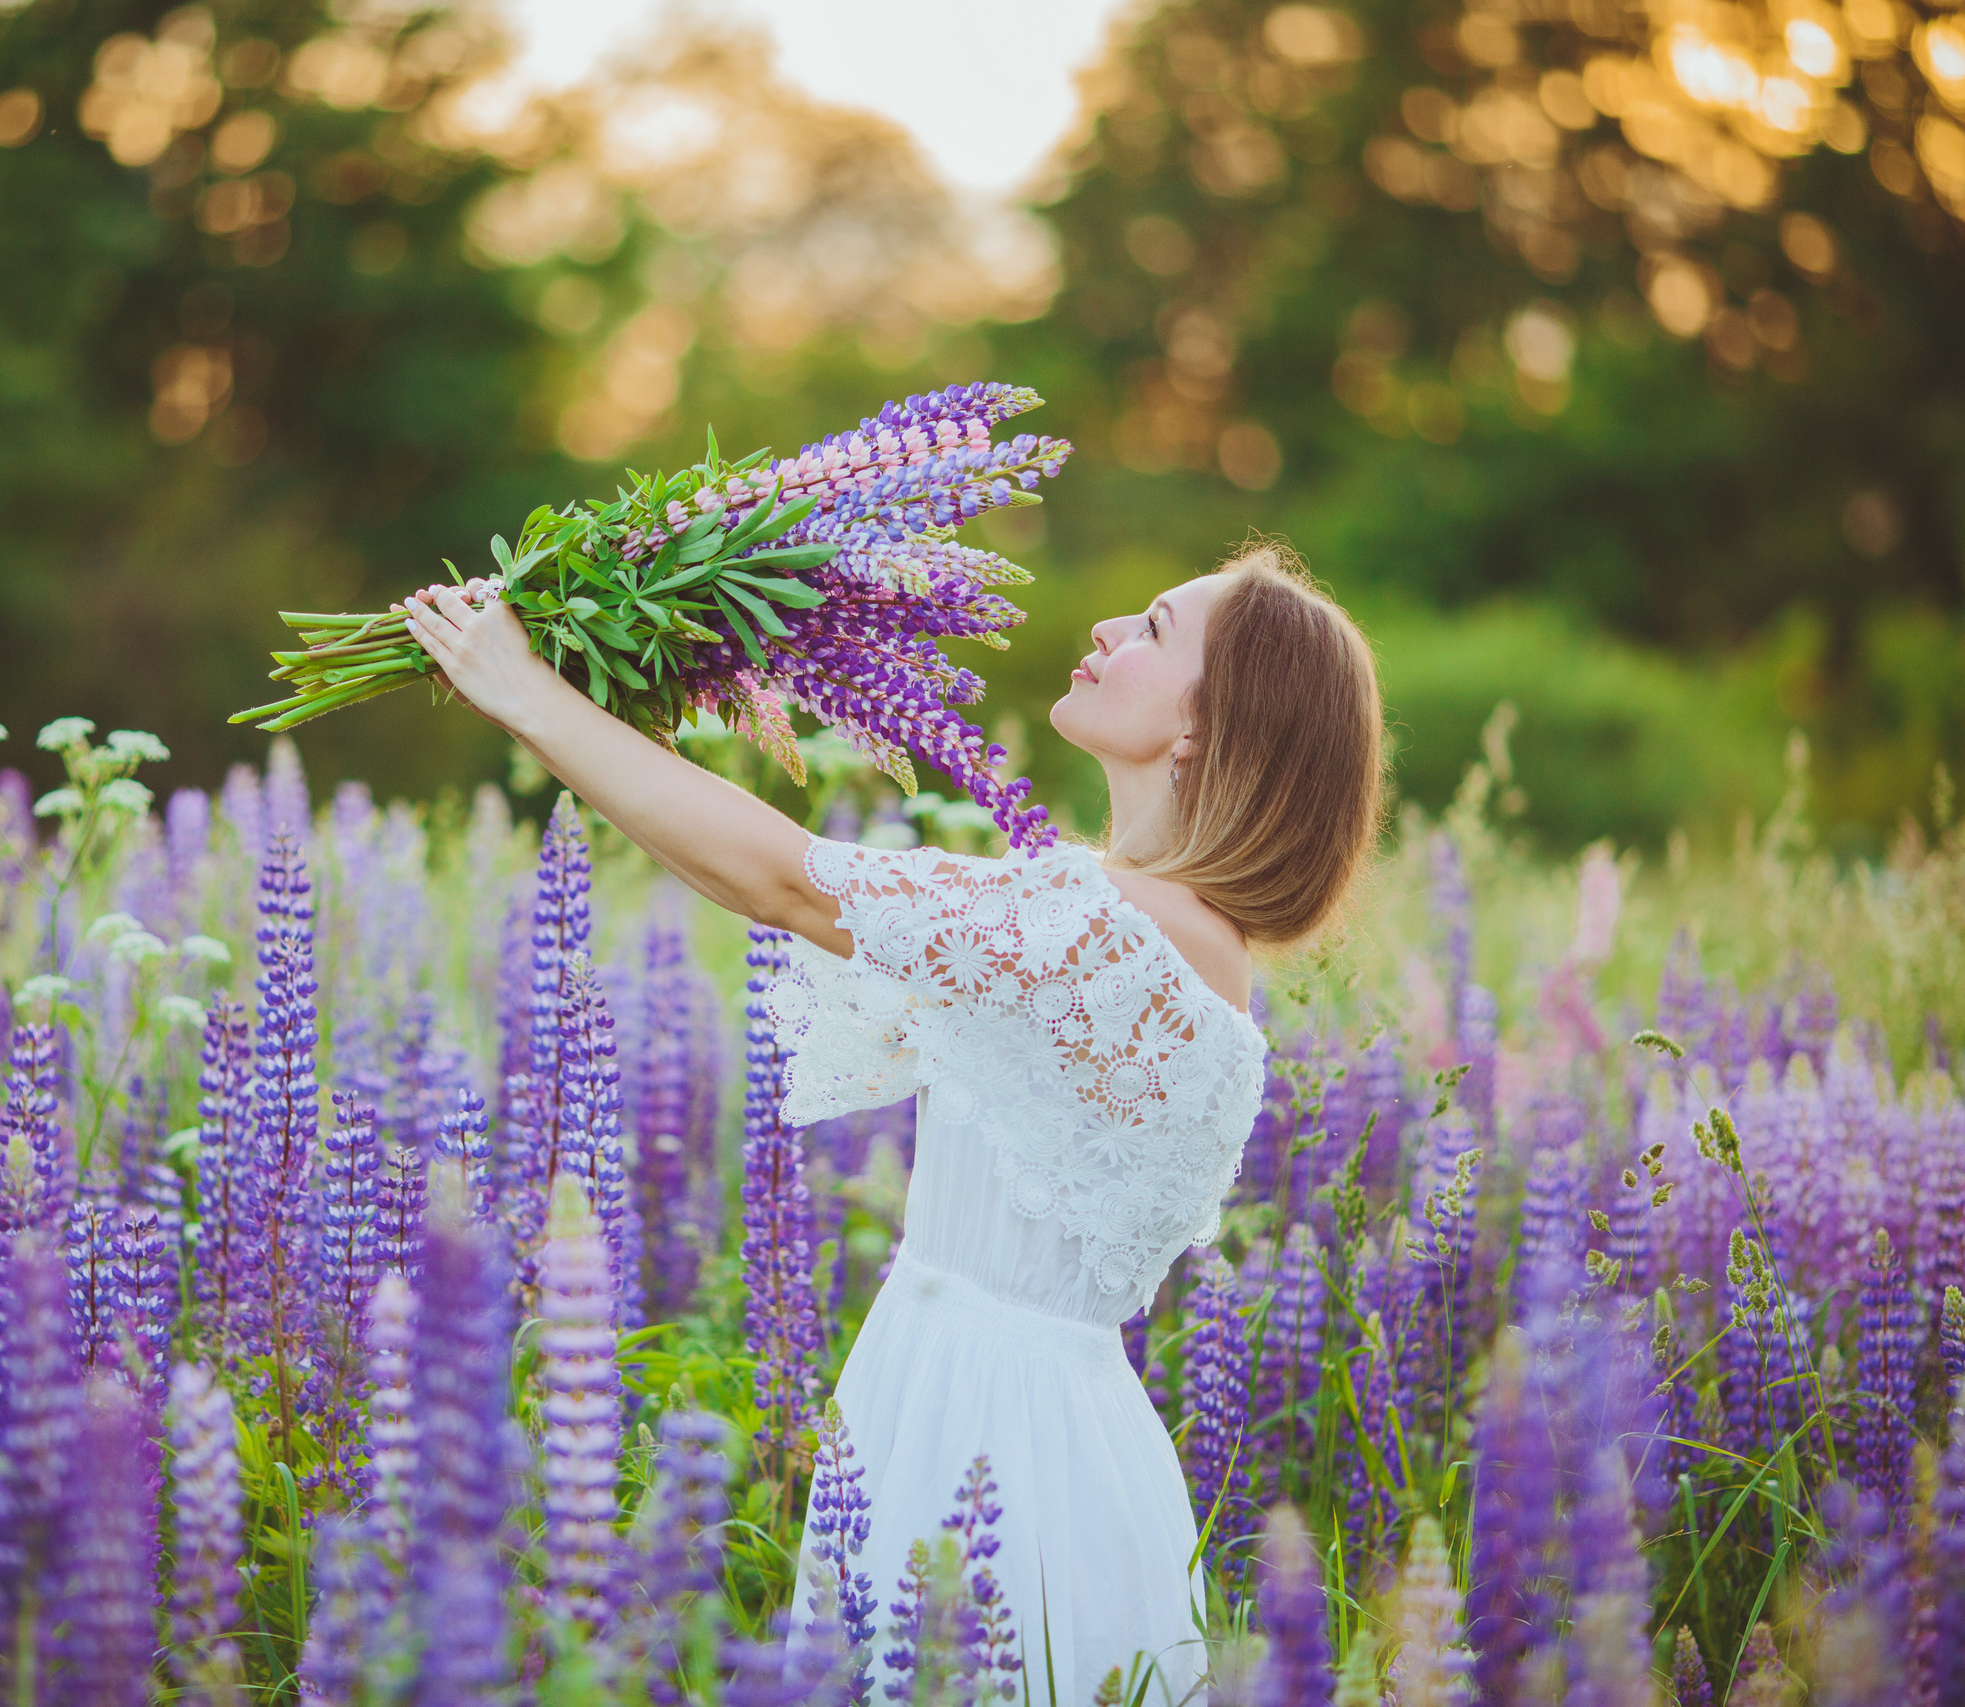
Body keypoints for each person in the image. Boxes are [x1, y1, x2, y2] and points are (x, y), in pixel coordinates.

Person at [394, 539, 1385, 1702]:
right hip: (1027, 1419)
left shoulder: (1108, 925)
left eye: (1157, 628)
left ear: (1205, 732)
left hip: (985, 1434)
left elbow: (786, 881)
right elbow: (749, 880)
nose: (1110, 625)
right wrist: (549, 715)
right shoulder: (1154, 928)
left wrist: (530, 693)